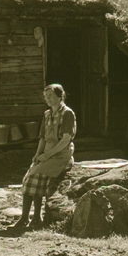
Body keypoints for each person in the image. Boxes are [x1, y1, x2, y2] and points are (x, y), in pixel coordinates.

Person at [9, 83, 76, 230]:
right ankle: (30, 218)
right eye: (46, 96)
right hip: (47, 153)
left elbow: (66, 139)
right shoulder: (47, 114)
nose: (48, 99)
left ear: (60, 96)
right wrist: (38, 154)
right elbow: (43, 138)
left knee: (33, 178)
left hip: (61, 154)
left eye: (51, 96)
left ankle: (30, 218)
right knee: (29, 179)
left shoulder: (67, 113)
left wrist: (48, 155)